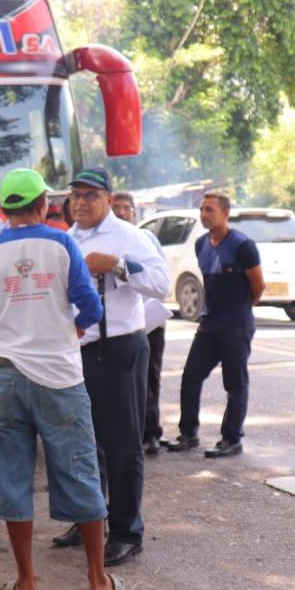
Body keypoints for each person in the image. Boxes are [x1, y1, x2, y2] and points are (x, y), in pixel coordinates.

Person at [0, 168, 120, 590]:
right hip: (60, 377)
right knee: (80, 471)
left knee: (12, 477)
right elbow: (89, 305)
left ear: (5, 209)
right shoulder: (62, 242)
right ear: (44, 203)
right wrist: (67, 332)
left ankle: (27, 583)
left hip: (7, 377)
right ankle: (98, 581)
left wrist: (5, 342)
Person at [53, 170, 169, 568]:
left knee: (121, 444)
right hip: (78, 351)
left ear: (107, 197)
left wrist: (118, 265)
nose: (81, 202)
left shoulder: (129, 236)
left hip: (119, 349)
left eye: (90, 195)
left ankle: (125, 531)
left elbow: (161, 284)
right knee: (84, 443)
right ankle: (88, 519)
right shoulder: (67, 238)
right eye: (75, 195)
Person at [165, 192, 265, 458]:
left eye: (210, 210)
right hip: (209, 325)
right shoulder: (201, 244)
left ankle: (231, 438)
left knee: (235, 384)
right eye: (202, 209)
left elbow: (258, 286)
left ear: (225, 213)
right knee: (190, 377)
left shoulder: (243, 245)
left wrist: (240, 311)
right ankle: (188, 433)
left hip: (235, 326)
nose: (204, 214)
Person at [111, 192, 171, 454]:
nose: (123, 212)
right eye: (118, 207)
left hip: (150, 318)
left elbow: (161, 280)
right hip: (120, 326)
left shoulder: (145, 239)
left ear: (135, 213)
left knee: (150, 377)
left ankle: (151, 432)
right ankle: (125, 435)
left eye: (127, 208)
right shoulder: (106, 240)